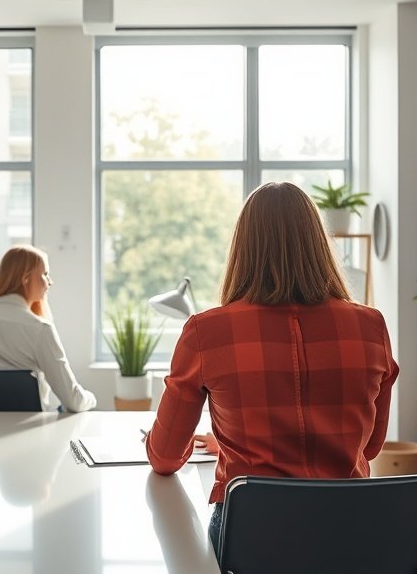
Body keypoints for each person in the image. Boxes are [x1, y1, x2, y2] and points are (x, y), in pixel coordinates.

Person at [144, 181, 399, 560]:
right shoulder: (370, 326)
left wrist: (243, 448)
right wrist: (233, 442)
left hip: (254, 542)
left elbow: (164, 458)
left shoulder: (206, 331)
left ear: (242, 249)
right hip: (348, 537)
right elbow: (370, 447)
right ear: (318, 244)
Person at [0, 245, 97, 413]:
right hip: (28, 431)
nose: (50, 282)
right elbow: (73, 400)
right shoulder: (40, 329)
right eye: (45, 274)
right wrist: (92, 398)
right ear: (26, 279)